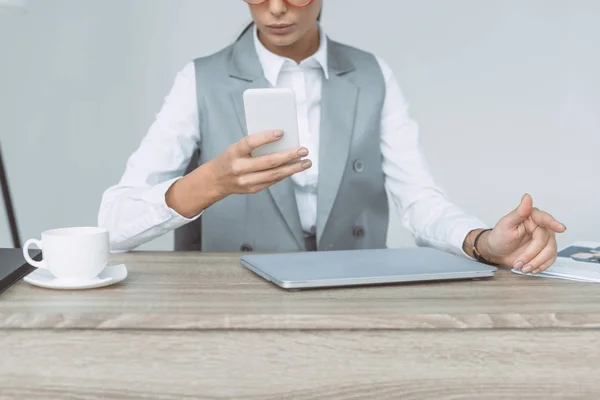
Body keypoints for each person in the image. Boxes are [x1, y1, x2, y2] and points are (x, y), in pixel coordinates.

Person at [98, 0, 567, 275]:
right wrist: (212, 183)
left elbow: (419, 198)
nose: (277, 8)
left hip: (354, 293)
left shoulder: (371, 73)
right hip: (234, 301)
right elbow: (114, 227)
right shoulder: (199, 79)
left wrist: (482, 242)